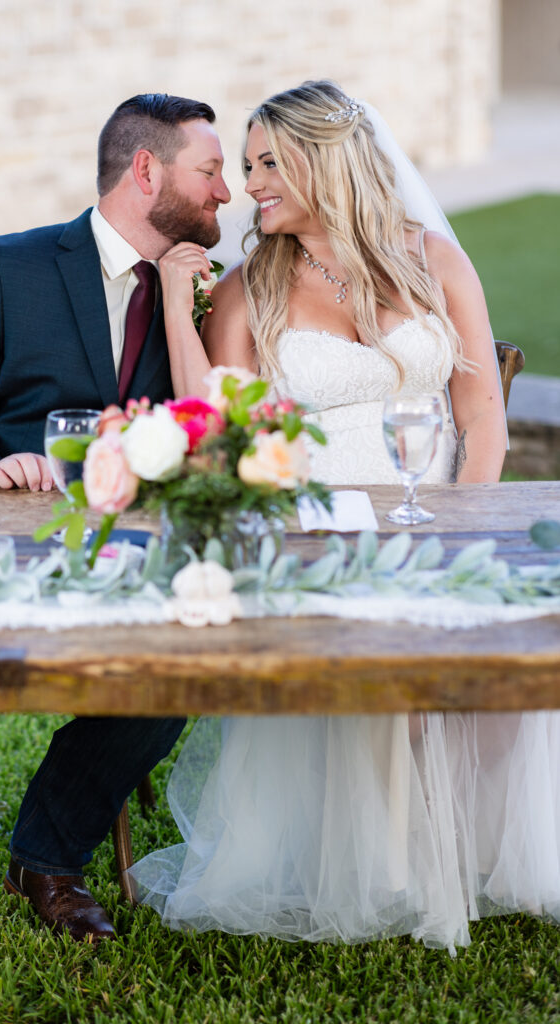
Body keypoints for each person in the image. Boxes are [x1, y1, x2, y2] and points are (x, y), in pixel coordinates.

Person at [129, 81, 560, 953]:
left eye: (266, 164)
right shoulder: (257, 283)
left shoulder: (432, 258)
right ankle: (382, 857)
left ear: (325, 162)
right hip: (313, 531)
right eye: (244, 166)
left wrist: (457, 534)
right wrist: (181, 309)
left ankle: (464, 844)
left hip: (442, 514)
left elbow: (481, 418)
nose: (249, 184)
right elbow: (215, 423)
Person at [0, 93, 231, 941]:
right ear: (146, 171)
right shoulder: (8, 266)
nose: (224, 193)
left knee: (180, 665)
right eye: (211, 170)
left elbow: (211, 427)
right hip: (6, 541)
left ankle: (45, 855)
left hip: (143, 553)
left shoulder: (201, 294)